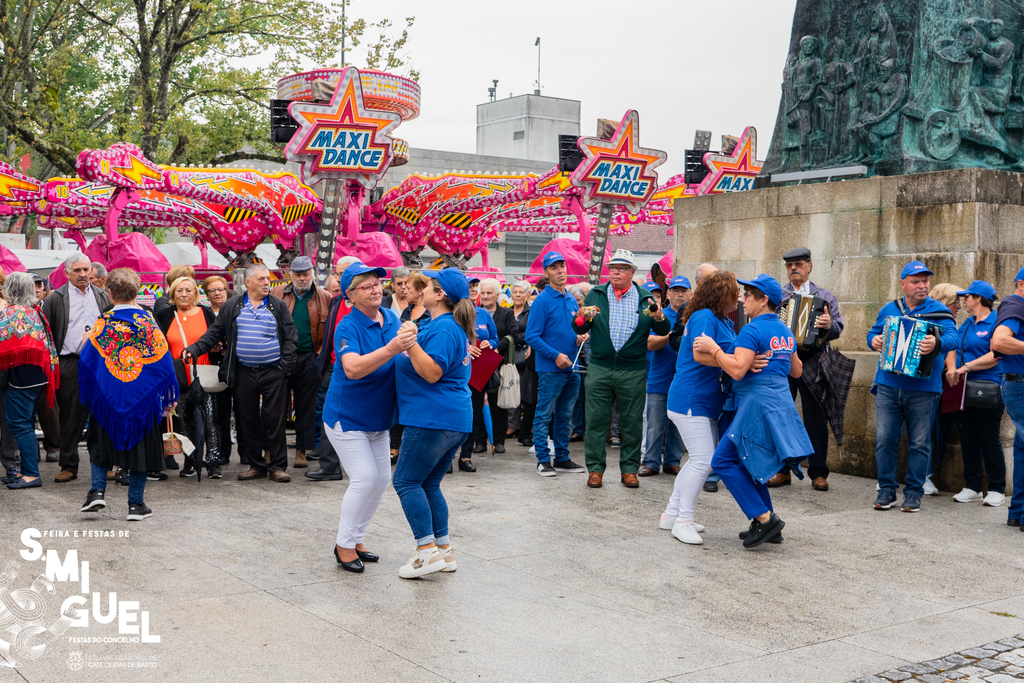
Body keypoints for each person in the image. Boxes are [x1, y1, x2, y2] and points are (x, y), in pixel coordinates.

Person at [694, 274, 813, 548]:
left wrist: (714, 349)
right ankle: (766, 523)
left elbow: (736, 370)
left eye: (748, 294)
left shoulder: (751, 330)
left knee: (722, 461)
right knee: (753, 465)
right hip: (779, 405)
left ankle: (765, 518)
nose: (743, 299)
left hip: (755, 407)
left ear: (763, 301)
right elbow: (796, 370)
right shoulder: (785, 330)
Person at [326, 262, 417, 573]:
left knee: (380, 481)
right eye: (366, 285)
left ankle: (356, 538)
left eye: (378, 282)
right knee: (364, 479)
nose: (376, 288)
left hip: (379, 417)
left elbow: (405, 355)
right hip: (347, 417)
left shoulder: (391, 317)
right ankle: (343, 545)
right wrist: (392, 348)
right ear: (350, 295)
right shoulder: (347, 326)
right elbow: (352, 368)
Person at [392, 268, 475, 579]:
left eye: (425, 286)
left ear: (440, 295)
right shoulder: (444, 325)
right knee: (428, 484)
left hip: (432, 418)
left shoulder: (444, 328)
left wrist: (409, 342)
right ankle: (443, 550)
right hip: (451, 418)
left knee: (406, 482)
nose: (419, 289)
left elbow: (432, 372)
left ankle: (426, 552)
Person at [183, 264, 298, 482]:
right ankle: (256, 465)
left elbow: (291, 337)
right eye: (262, 279)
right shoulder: (232, 306)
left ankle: (277, 466)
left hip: (274, 371)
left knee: (275, 419)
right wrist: (195, 349)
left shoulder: (278, 305)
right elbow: (214, 333)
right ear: (248, 282)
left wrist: (284, 366)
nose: (267, 283)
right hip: (243, 371)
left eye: (268, 279)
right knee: (247, 420)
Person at [79, 269, 177, 520]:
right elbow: (163, 362)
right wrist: (169, 397)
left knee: (100, 441)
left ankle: (97, 492)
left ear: (110, 293)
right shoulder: (148, 323)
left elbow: (87, 361)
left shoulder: (103, 324)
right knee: (141, 447)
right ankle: (136, 505)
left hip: (107, 397)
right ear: (137, 293)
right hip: (141, 400)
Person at [573, 249, 669, 489]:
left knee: (632, 422)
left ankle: (629, 470)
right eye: (613, 267)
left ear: (632, 272)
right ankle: (595, 470)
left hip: (632, 370)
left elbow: (662, 328)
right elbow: (578, 327)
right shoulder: (595, 295)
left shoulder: (644, 298)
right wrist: (580, 318)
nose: (615, 271)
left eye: (622, 268)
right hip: (600, 367)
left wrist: (658, 316)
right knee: (595, 420)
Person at [866, 261, 958, 512]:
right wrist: (873, 339)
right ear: (903, 284)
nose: (922, 285)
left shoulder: (938, 310)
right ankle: (886, 490)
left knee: (919, 442)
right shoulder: (890, 309)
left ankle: (914, 492)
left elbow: (953, 337)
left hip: (924, 388)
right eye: (916, 281)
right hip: (888, 385)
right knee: (885, 440)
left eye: (925, 281)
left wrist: (935, 343)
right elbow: (872, 333)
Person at [661, 271, 744, 543]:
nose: (739, 296)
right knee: (703, 461)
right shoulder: (705, 316)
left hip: (703, 400)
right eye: (735, 291)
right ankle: (682, 520)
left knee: (697, 460)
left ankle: (672, 514)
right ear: (723, 294)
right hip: (691, 399)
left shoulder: (718, 318)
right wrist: (737, 364)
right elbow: (700, 354)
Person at [769, 247, 847, 492]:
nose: (794, 268)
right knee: (782, 414)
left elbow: (838, 328)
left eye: (799, 264)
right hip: (784, 360)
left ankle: (818, 472)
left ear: (809, 266)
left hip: (814, 361)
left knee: (816, 418)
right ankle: (782, 470)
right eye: (790, 265)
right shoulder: (778, 296)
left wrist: (829, 324)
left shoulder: (824, 296)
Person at [42, 252, 112, 483]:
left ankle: (105, 463)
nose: (83, 274)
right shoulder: (56, 298)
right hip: (69, 361)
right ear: (67, 273)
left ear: (92, 271)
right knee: (71, 415)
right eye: (77, 271)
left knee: (102, 414)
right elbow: (48, 332)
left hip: (100, 363)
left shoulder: (103, 296)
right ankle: (69, 465)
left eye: (86, 270)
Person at [524, 252, 587, 477]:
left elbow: (568, 330)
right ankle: (543, 460)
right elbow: (531, 336)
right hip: (551, 369)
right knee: (543, 414)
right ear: (546, 273)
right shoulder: (541, 301)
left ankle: (561, 457)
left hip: (572, 367)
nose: (560, 271)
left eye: (562, 266)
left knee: (565, 414)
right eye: (554, 268)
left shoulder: (571, 299)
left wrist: (578, 337)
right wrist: (555, 355)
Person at [155, 276, 221, 478]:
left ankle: (213, 462)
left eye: (188, 290)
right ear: (173, 294)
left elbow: (216, 337)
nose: (184, 294)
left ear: (196, 293)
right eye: (179, 291)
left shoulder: (206, 312)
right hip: (178, 378)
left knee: (210, 420)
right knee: (183, 421)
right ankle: (190, 461)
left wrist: (218, 347)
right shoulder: (166, 315)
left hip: (203, 376)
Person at [947, 281, 1005, 507]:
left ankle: (997, 488)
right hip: (963, 388)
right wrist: (952, 368)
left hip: (988, 387)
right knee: (967, 438)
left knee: (989, 439)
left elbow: (996, 354)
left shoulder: (995, 322)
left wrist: (966, 367)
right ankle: (972, 486)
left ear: (979, 298)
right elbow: (952, 347)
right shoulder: (967, 324)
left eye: (967, 296)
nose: (963, 300)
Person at [0, 273, 59, 489]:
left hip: (19, 379)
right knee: (26, 423)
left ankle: (31, 473)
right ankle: (26, 470)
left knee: (20, 425)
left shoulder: (10, 314)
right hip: (38, 376)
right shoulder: (35, 311)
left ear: (10, 290)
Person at [271, 256, 331, 470]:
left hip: (309, 356)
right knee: (277, 406)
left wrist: (320, 356)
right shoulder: (277, 294)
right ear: (290, 275)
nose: (302, 278)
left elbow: (329, 331)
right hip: (282, 357)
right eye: (298, 274)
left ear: (313, 274)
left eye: (306, 273)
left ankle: (301, 451)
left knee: (306, 407)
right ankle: (273, 451)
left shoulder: (325, 297)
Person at [306, 257, 360, 481]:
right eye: (337, 274)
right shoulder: (336, 300)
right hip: (333, 367)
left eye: (343, 273)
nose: (338, 278)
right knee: (330, 416)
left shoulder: (373, 301)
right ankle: (329, 466)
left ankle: (359, 465)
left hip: (360, 368)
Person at [640, 276, 689, 477]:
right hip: (659, 379)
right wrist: (673, 335)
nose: (679, 294)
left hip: (685, 381)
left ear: (690, 294)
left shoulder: (693, 316)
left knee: (679, 427)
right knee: (655, 425)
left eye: (683, 291)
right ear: (668, 294)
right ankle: (650, 462)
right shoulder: (659, 315)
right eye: (675, 290)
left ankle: (672, 461)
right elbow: (649, 343)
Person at [991, 268, 1024, 529]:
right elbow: (1000, 342)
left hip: (1016, 386)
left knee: (1022, 451)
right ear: (1021, 284)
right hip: (1020, 387)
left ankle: (1018, 513)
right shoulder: (1015, 304)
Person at [477, 278, 521, 454]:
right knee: (478, 403)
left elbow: (513, 335)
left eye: (489, 293)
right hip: (479, 364)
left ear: (497, 294)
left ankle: (499, 440)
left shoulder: (506, 313)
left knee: (498, 404)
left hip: (500, 364)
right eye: (483, 293)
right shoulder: (476, 312)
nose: (486, 296)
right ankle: (479, 441)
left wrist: (497, 347)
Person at [458, 275, 498, 471]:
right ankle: (445, 458)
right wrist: (466, 347)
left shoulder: (483, 314)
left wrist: (492, 344)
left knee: (473, 415)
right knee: (454, 414)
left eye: (475, 285)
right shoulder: (455, 313)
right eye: (469, 286)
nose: (473, 289)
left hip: (478, 374)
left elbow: (495, 338)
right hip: (457, 371)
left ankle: (466, 456)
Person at [928, 282, 964, 495]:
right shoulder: (935, 320)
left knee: (934, 433)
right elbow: (948, 346)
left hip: (943, 386)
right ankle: (922, 477)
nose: (959, 306)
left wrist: (952, 368)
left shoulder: (953, 323)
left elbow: (951, 345)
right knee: (925, 433)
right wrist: (951, 368)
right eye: (955, 302)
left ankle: (926, 475)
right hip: (930, 383)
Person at [202, 275, 234, 463]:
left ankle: (245, 451)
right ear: (206, 294)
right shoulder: (205, 313)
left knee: (239, 409)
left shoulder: (234, 310)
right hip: (212, 366)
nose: (217, 293)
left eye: (220, 289)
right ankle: (222, 451)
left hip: (233, 363)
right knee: (219, 411)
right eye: (212, 290)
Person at [510, 280, 536, 447]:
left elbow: (532, 332)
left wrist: (513, 337)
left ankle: (525, 429)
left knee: (527, 395)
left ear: (527, 294)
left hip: (526, 357)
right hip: (508, 356)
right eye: (515, 292)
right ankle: (512, 426)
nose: (518, 295)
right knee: (509, 392)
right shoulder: (506, 311)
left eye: (521, 292)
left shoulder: (531, 311)